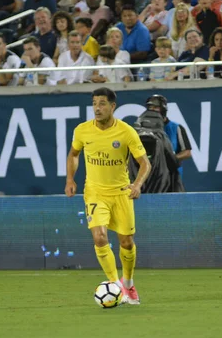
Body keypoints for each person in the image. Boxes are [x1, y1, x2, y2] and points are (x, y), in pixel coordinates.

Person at [65, 87, 151, 305]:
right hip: (94, 192)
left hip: (121, 193)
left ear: (113, 106)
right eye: (94, 103)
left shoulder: (126, 132)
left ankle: (129, 283)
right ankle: (115, 286)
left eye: (102, 103)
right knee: (99, 237)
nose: (97, 108)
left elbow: (145, 163)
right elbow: (74, 154)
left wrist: (137, 185)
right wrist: (70, 179)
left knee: (127, 242)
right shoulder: (82, 130)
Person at [145, 94, 192, 180]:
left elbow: (187, 152)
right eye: (150, 107)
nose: (152, 110)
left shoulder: (176, 128)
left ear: (163, 109)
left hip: (172, 175)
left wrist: (170, 159)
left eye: (156, 107)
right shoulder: (144, 129)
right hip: (151, 175)